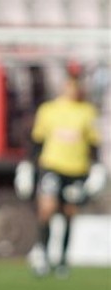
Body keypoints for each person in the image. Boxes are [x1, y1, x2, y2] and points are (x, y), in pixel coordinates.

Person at [15, 65, 106, 278]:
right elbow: (37, 141)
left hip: (76, 169)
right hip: (52, 166)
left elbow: (94, 144)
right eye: (70, 84)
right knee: (47, 209)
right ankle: (42, 254)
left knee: (69, 213)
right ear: (64, 85)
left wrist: (97, 168)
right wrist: (28, 165)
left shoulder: (87, 112)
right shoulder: (49, 110)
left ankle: (62, 260)